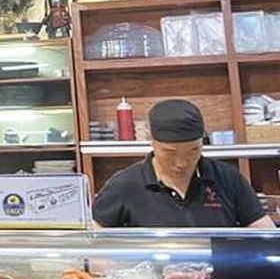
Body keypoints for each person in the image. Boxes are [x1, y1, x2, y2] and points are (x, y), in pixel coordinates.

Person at [92, 98, 275, 229]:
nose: (181, 163)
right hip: (150, 272)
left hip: (218, 271)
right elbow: (93, 238)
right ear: (151, 141)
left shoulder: (227, 178)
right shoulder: (125, 184)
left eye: (193, 151)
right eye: (170, 153)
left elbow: (263, 231)